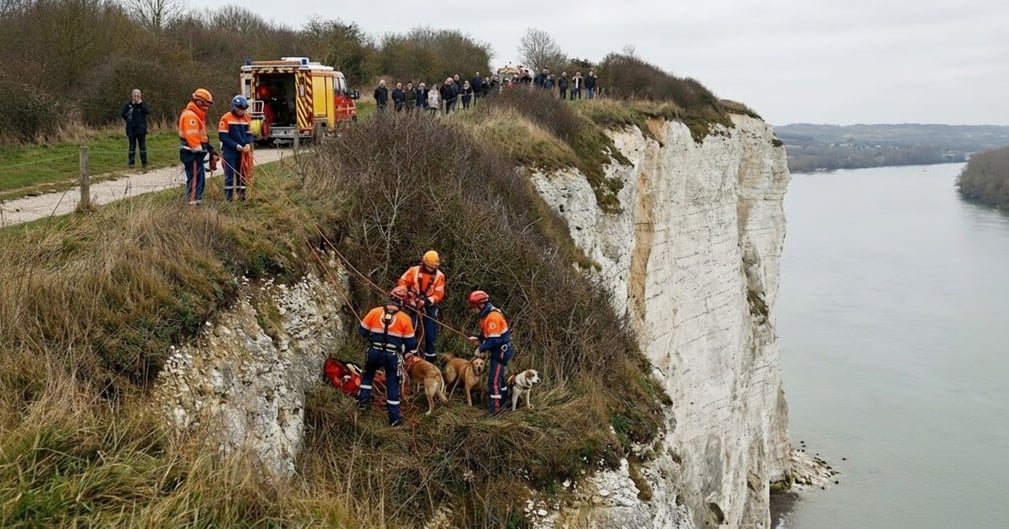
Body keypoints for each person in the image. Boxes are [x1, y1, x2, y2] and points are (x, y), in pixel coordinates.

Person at [356, 286, 418, 426]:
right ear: (403, 302)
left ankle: (362, 404)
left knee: (367, 376)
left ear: (390, 297)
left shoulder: (374, 312)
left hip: (373, 352)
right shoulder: (405, 318)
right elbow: (411, 343)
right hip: (392, 355)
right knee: (392, 384)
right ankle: (394, 419)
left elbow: (362, 331)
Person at [467, 290, 513, 415]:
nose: (472, 310)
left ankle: (496, 412)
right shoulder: (486, 314)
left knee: (493, 382)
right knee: (500, 381)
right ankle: (503, 404)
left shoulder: (492, 317)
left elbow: (494, 340)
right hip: (499, 350)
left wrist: (480, 349)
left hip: (500, 353)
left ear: (480, 304)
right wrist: (478, 338)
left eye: (473, 307)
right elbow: (487, 334)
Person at [397, 250, 446, 364]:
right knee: (411, 326)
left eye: (433, 267)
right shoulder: (413, 271)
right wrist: (409, 296)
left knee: (430, 331)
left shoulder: (439, 276)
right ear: (424, 263)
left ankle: (430, 357)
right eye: (429, 267)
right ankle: (409, 353)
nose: (431, 269)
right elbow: (402, 283)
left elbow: (439, 294)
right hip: (413, 303)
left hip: (429, 306)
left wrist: (427, 301)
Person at [178, 88, 215, 205]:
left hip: (197, 154)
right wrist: (198, 148)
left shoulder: (198, 115)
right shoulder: (191, 116)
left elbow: (201, 136)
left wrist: (209, 149)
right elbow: (192, 135)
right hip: (192, 154)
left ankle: (196, 202)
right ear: (199, 102)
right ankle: (193, 206)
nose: (207, 107)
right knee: (195, 180)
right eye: (206, 104)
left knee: (199, 180)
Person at [218, 95, 253, 202]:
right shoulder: (226, 118)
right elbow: (223, 137)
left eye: (243, 109)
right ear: (234, 107)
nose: (241, 111)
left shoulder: (247, 118)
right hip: (230, 151)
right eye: (239, 108)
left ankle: (241, 196)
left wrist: (248, 144)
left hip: (243, 151)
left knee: (242, 174)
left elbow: (249, 134)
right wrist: (235, 146)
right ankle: (229, 199)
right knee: (230, 175)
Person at [121, 88, 150, 169]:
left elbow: (148, 111)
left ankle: (144, 163)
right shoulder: (128, 105)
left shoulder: (144, 104)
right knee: (132, 147)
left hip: (141, 129)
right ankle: (131, 163)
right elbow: (123, 114)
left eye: (138, 95)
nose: (136, 97)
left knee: (142, 147)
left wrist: (140, 105)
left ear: (140, 96)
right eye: (134, 95)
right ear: (132, 96)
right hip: (131, 130)